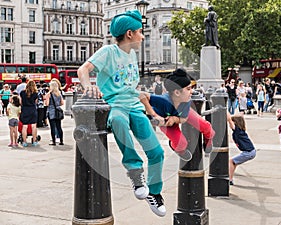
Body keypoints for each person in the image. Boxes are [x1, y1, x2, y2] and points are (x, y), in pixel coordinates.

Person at [77, 10, 166, 217]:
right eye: (140, 32)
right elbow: (83, 70)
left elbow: (130, 86)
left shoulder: (132, 54)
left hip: (134, 106)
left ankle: (154, 193)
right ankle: (135, 172)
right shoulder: (108, 51)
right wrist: (88, 87)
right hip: (116, 105)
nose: (143, 36)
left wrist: (148, 105)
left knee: (157, 153)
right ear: (129, 33)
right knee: (117, 119)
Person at [139, 68, 215, 161]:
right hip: (164, 120)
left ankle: (208, 141)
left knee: (207, 127)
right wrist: (154, 115)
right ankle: (177, 149)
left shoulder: (186, 100)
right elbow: (141, 95)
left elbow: (184, 118)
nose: (192, 91)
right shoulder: (163, 101)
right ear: (177, 92)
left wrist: (175, 119)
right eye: (188, 89)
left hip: (178, 114)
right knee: (181, 144)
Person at [227, 112, 256, 185]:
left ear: (236, 123)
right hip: (250, 151)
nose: (230, 125)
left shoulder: (237, 130)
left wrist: (225, 109)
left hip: (248, 152)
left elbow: (229, 120)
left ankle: (230, 179)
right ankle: (230, 176)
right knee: (234, 163)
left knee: (231, 161)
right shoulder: (240, 130)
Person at [19, 80, 38, 147]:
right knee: (34, 126)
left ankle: (24, 142)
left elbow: (20, 102)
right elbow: (36, 102)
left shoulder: (22, 92)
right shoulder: (35, 93)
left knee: (25, 126)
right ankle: (34, 141)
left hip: (25, 110)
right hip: (32, 110)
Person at [45, 81, 64, 146]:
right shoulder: (59, 94)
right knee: (59, 127)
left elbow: (46, 104)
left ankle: (54, 141)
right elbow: (62, 103)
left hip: (51, 111)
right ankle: (61, 141)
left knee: (52, 127)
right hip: (58, 111)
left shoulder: (49, 94)